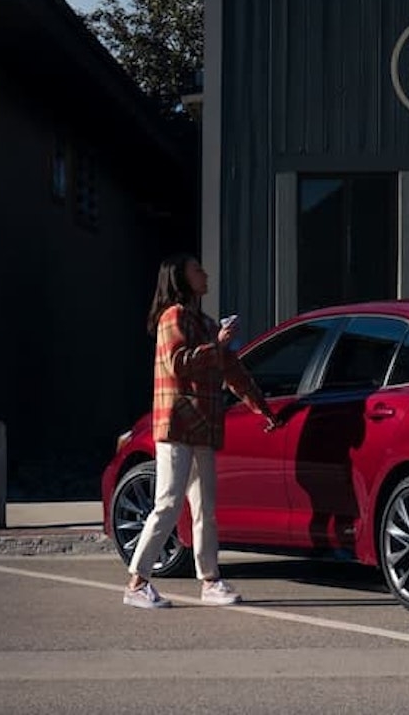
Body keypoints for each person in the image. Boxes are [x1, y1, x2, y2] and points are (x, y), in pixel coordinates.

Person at [124, 254, 278, 609]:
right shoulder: (173, 317)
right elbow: (177, 362)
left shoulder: (207, 323)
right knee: (167, 502)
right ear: (180, 278)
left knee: (205, 507)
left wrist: (263, 409)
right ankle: (136, 582)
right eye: (197, 270)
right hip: (177, 423)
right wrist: (219, 345)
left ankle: (210, 581)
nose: (205, 274)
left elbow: (234, 374)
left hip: (204, 427)